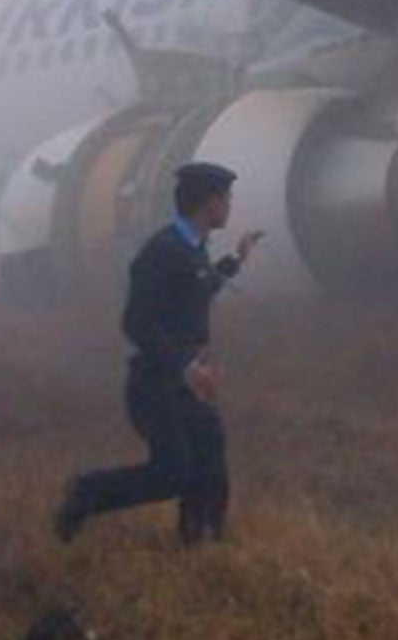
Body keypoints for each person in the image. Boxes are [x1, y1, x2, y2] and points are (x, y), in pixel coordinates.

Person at [54, 162, 264, 546]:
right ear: (209, 203)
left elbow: (201, 287)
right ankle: (86, 493)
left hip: (185, 382)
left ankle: (202, 545)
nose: (231, 206)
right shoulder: (162, 252)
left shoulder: (192, 249)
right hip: (155, 385)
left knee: (210, 464)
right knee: (173, 473)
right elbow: (136, 322)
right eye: (227, 199)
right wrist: (184, 367)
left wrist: (236, 259)